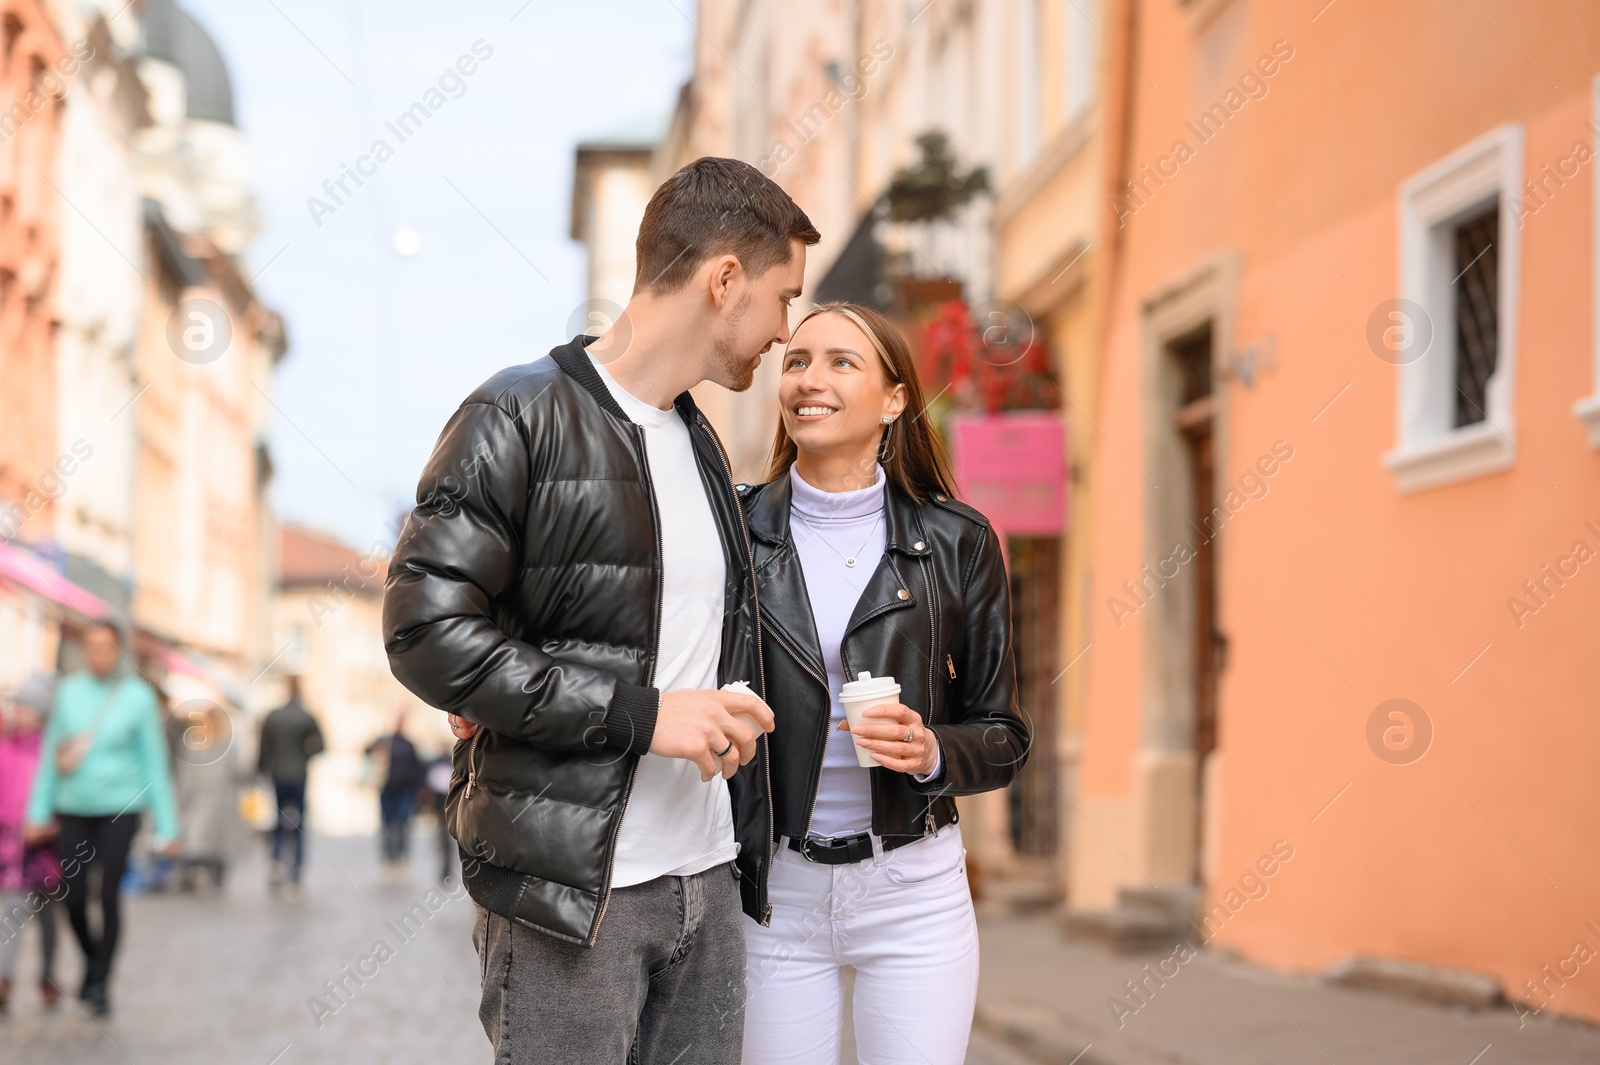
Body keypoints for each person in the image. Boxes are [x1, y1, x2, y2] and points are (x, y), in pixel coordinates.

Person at [383, 155, 812, 1064]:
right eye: (782, 299)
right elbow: (425, 632)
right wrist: (645, 714)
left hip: (707, 886)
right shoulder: (514, 412)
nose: (784, 331)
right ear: (723, 279)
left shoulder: (700, 444)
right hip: (572, 898)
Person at [738, 302, 1030, 1064]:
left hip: (914, 888)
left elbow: (1004, 734)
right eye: (797, 360)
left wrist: (931, 748)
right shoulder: (734, 531)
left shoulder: (958, 541)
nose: (809, 378)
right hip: (774, 889)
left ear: (895, 399)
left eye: (842, 362)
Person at [25, 622, 180, 1017]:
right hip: (74, 805)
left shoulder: (138, 698)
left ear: (119, 651)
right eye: (92, 648)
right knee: (73, 898)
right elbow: (50, 757)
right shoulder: (69, 693)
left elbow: (154, 764)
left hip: (121, 808)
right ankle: (93, 961)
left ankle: (101, 983)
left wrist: (167, 827)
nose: (99, 656)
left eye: (107, 648)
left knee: (109, 894)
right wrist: (38, 811)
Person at [0, 674, 62, 1013]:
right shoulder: (5, 748)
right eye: (18, 707)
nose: (20, 714)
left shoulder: (50, 752)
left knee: (49, 914)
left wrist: (51, 826)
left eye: (28, 708)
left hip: (45, 847)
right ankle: (4, 977)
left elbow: (59, 797)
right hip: (11, 845)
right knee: (14, 909)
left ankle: (48, 976)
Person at [257, 676, 324, 901]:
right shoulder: (307, 717)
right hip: (298, 777)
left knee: (277, 819)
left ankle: (276, 859)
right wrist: (304, 754)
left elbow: (264, 747)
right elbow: (320, 746)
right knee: (299, 825)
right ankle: (295, 876)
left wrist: (262, 769)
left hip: (278, 775)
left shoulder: (274, 717)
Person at [173, 702, 247, 891]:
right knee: (219, 843)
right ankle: (215, 879)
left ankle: (198, 874)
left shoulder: (194, 745)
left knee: (199, 840)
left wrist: (181, 800)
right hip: (223, 799)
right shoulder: (230, 745)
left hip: (201, 799)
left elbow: (186, 776)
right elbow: (239, 772)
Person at [367, 714, 425, 872]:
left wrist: (418, 789)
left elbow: (417, 768)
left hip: (404, 791)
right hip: (387, 790)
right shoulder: (384, 741)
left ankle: (401, 857)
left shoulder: (409, 745)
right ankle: (388, 858)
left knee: (402, 824)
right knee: (387, 825)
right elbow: (367, 750)